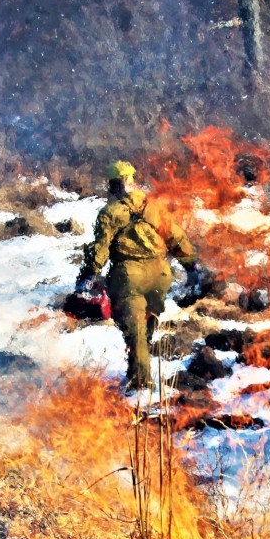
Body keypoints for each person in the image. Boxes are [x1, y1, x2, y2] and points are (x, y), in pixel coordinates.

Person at [76, 160, 198, 391]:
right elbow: (176, 238)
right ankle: (140, 366)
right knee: (147, 322)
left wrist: (89, 272)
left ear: (113, 186)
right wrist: (191, 266)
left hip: (129, 275)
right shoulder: (155, 208)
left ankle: (140, 384)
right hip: (160, 274)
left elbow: (100, 249)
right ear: (133, 181)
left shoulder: (109, 213)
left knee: (135, 329)